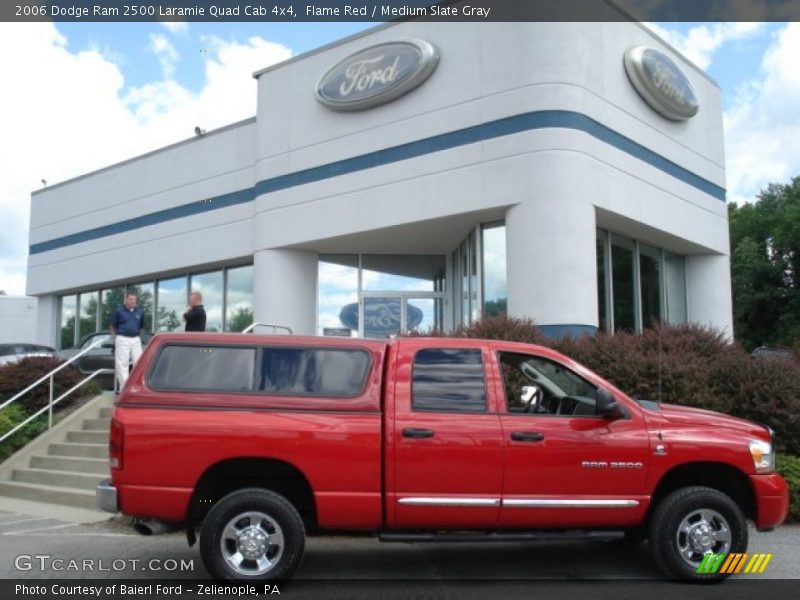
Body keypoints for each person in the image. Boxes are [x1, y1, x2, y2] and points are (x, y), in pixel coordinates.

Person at [110, 292, 144, 391]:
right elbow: (112, 326)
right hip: (122, 338)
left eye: (134, 299)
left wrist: (138, 336)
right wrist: (116, 337)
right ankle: (124, 389)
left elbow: (142, 327)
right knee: (122, 364)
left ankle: (136, 387)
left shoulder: (140, 312)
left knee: (138, 363)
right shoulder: (118, 311)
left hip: (135, 339)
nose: (133, 301)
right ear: (126, 300)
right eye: (131, 299)